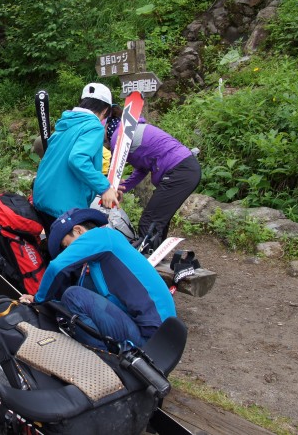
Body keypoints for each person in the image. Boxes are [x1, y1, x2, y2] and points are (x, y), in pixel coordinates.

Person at [20, 208, 176, 350]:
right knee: (75, 297)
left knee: (73, 294)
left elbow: (56, 267)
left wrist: (38, 300)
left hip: (152, 337)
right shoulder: (103, 257)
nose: (69, 251)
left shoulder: (101, 236)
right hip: (159, 337)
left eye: (67, 245)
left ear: (78, 230)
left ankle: (105, 362)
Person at [108, 107, 201, 247]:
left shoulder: (119, 136)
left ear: (107, 126)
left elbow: (114, 170)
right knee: (157, 219)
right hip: (185, 169)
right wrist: (123, 187)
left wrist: (110, 189)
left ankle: (145, 259)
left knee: (150, 220)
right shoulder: (130, 131)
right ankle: (155, 256)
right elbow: (142, 169)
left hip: (179, 170)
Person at [32, 83, 119, 232]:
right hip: (62, 206)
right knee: (75, 252)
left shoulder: (67, 123)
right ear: (105, 110)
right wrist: (104, 188)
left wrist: (105, 185)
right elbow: (78, 159)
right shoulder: (94, 126)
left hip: (42, 198)